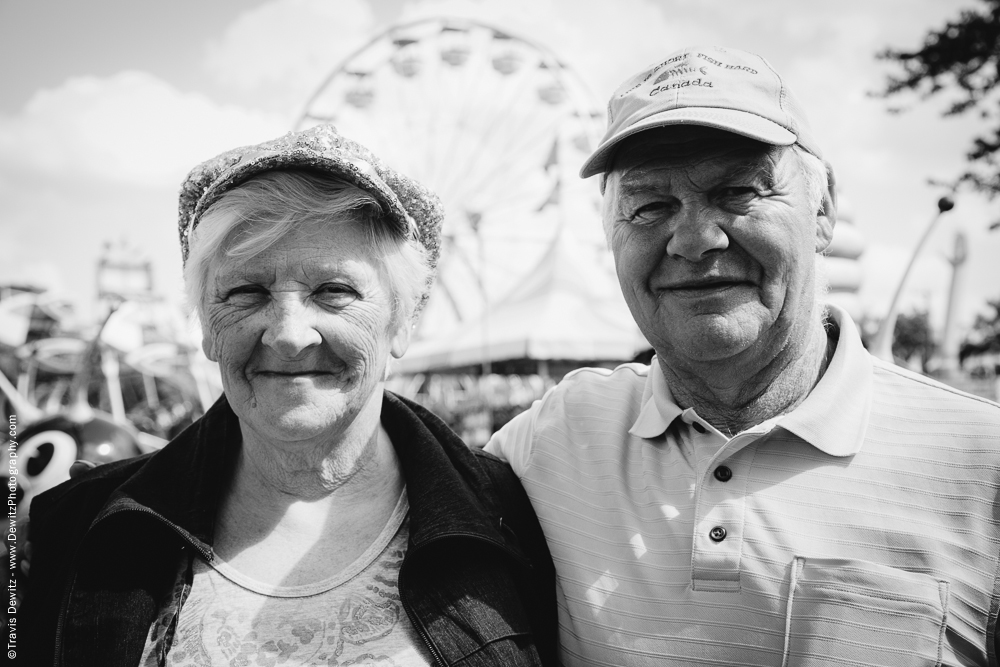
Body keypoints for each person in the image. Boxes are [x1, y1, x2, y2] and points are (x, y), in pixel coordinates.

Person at [485, 45, 1000, 666]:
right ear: (609, 233)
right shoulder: (553, 439)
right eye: (650, 205)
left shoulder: (982, 466)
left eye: (737, 192)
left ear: (824, 208)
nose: (695, 239)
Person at [23, 125, 558, 666]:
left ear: (404, 320)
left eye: (334, 291)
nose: (287, 333)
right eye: (246, 292)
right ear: (205, 325)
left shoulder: (525, 517)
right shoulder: (77, 530)